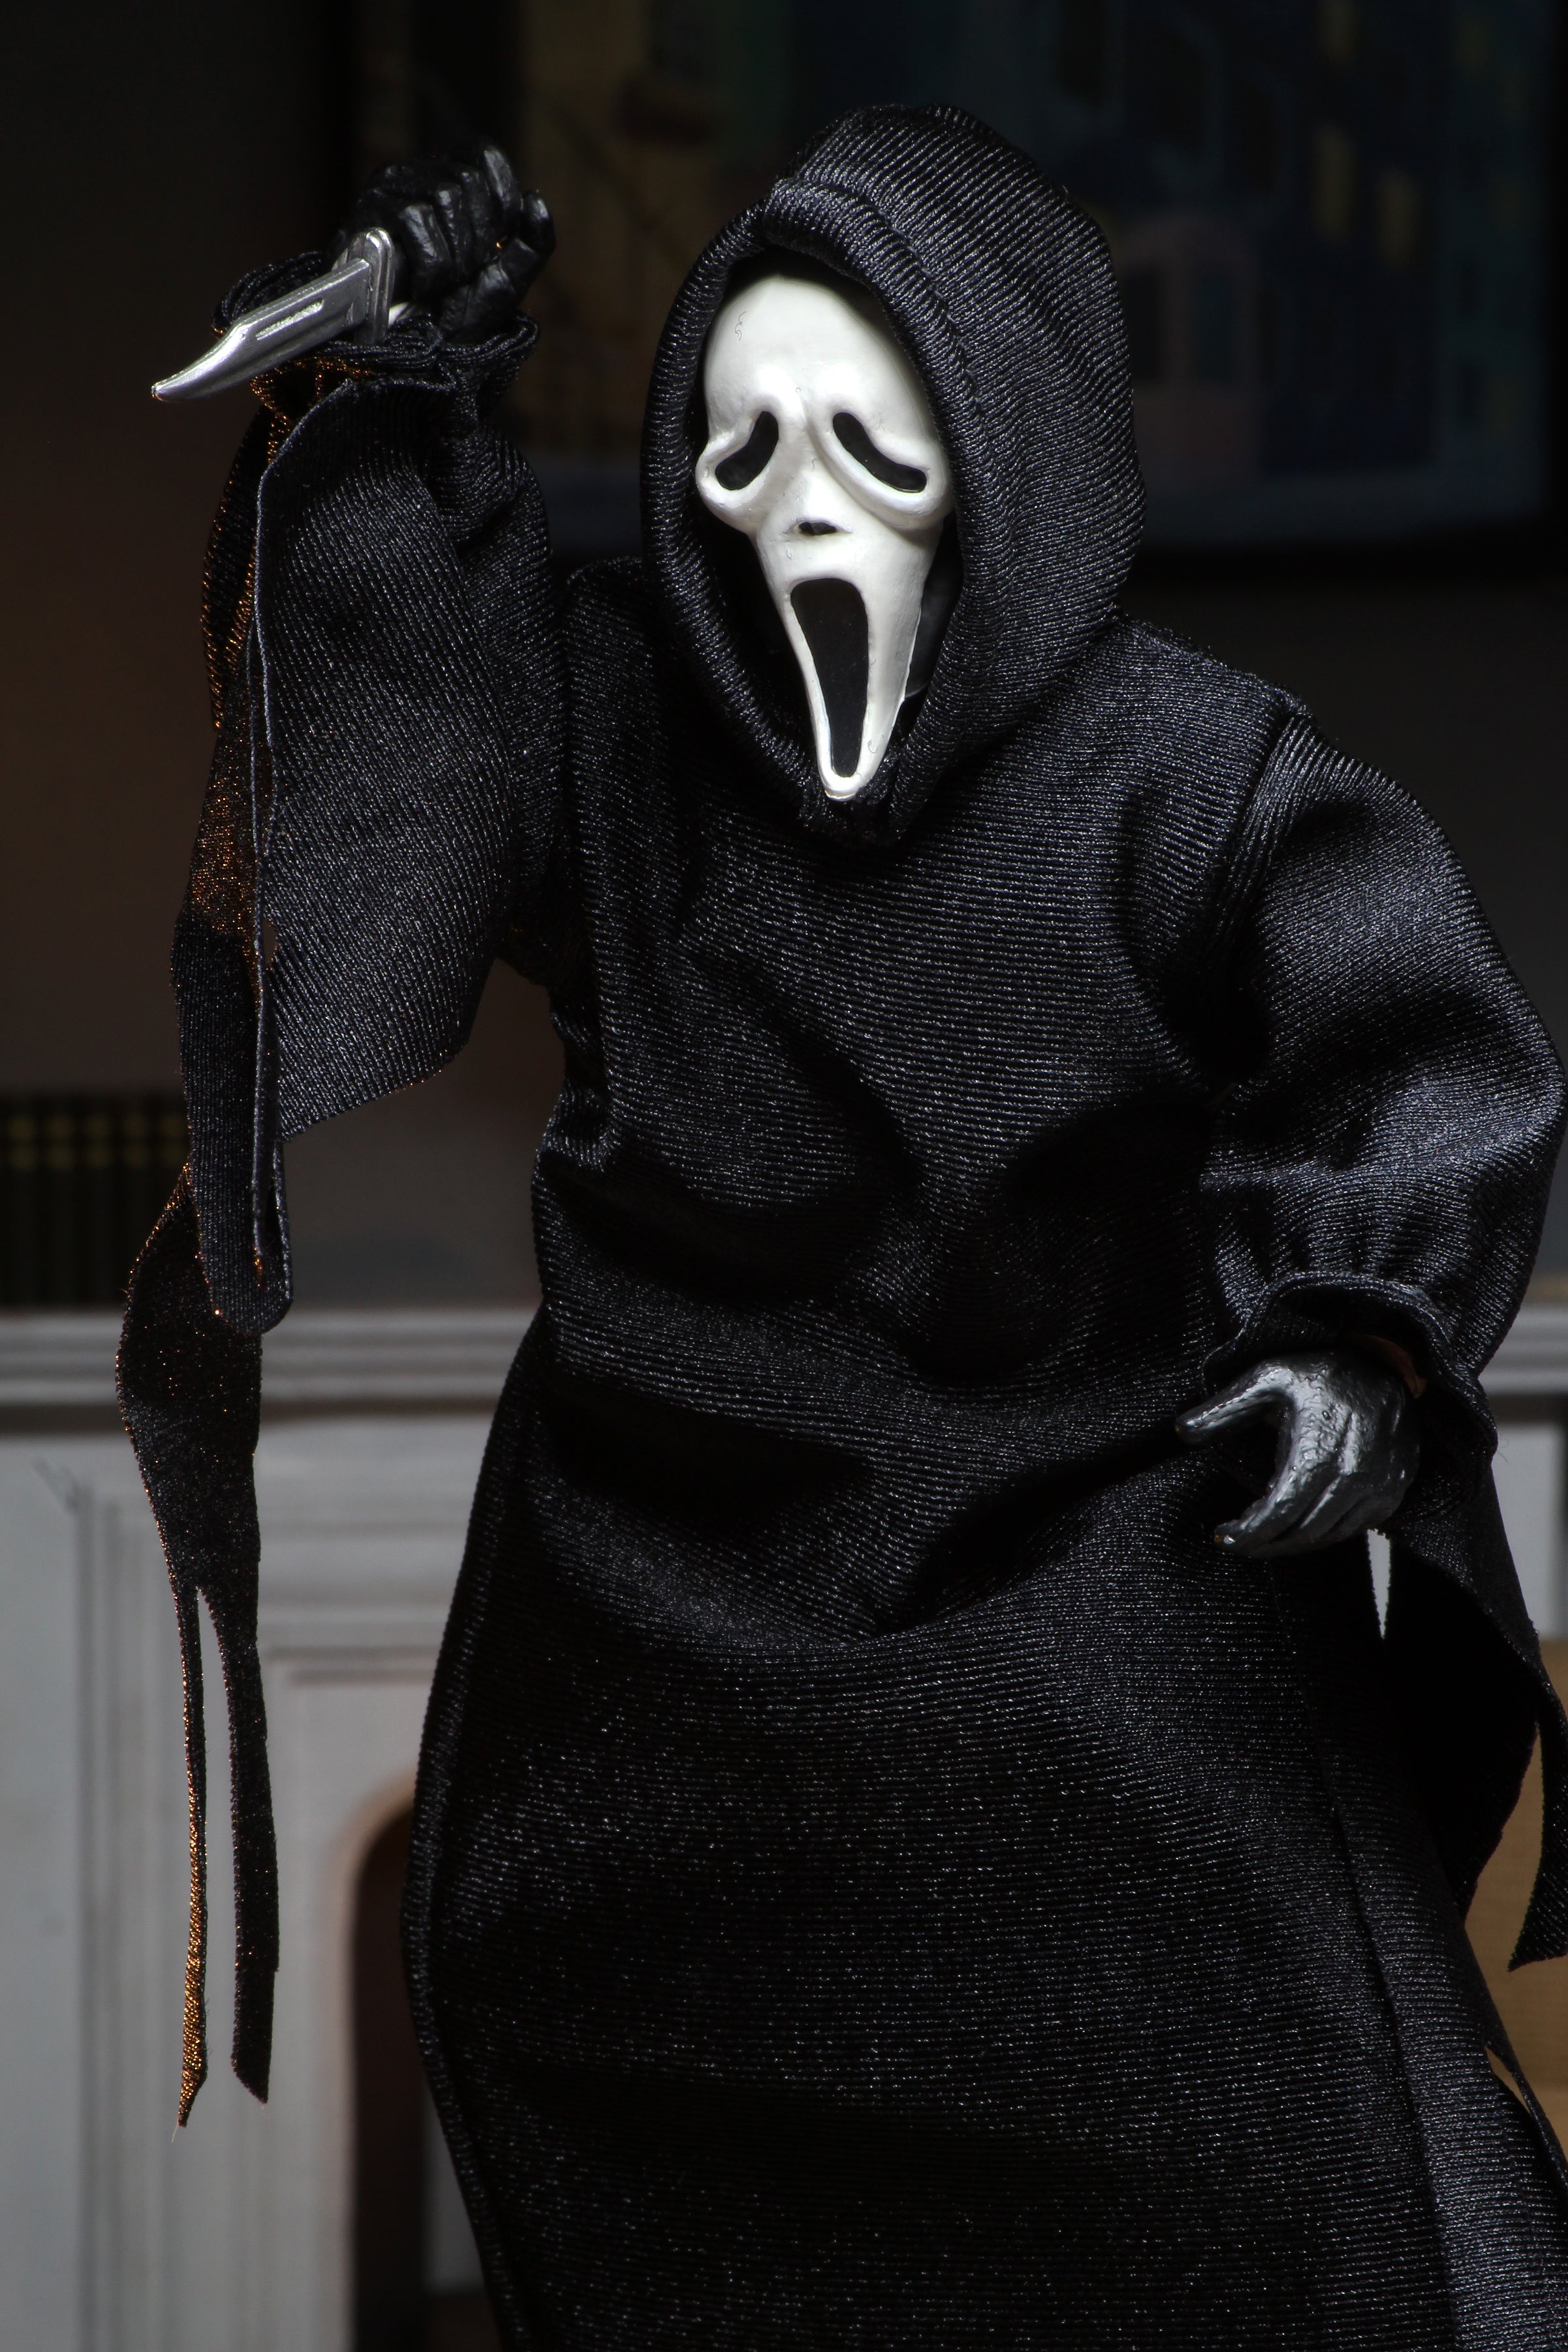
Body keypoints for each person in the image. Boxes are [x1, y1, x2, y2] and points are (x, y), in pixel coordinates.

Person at [122, 105, 1568, 2345]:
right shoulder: (618, 726)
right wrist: (405, 406)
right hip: (673, 1635)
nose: (802, 502)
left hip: (1098, 1585)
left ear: (1005, 459)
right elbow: (406, 751)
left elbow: (1412, 1055)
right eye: (747, 446)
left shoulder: (1188, 777)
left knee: (1329, 2171)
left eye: (873, 451)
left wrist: (1354, 1324)